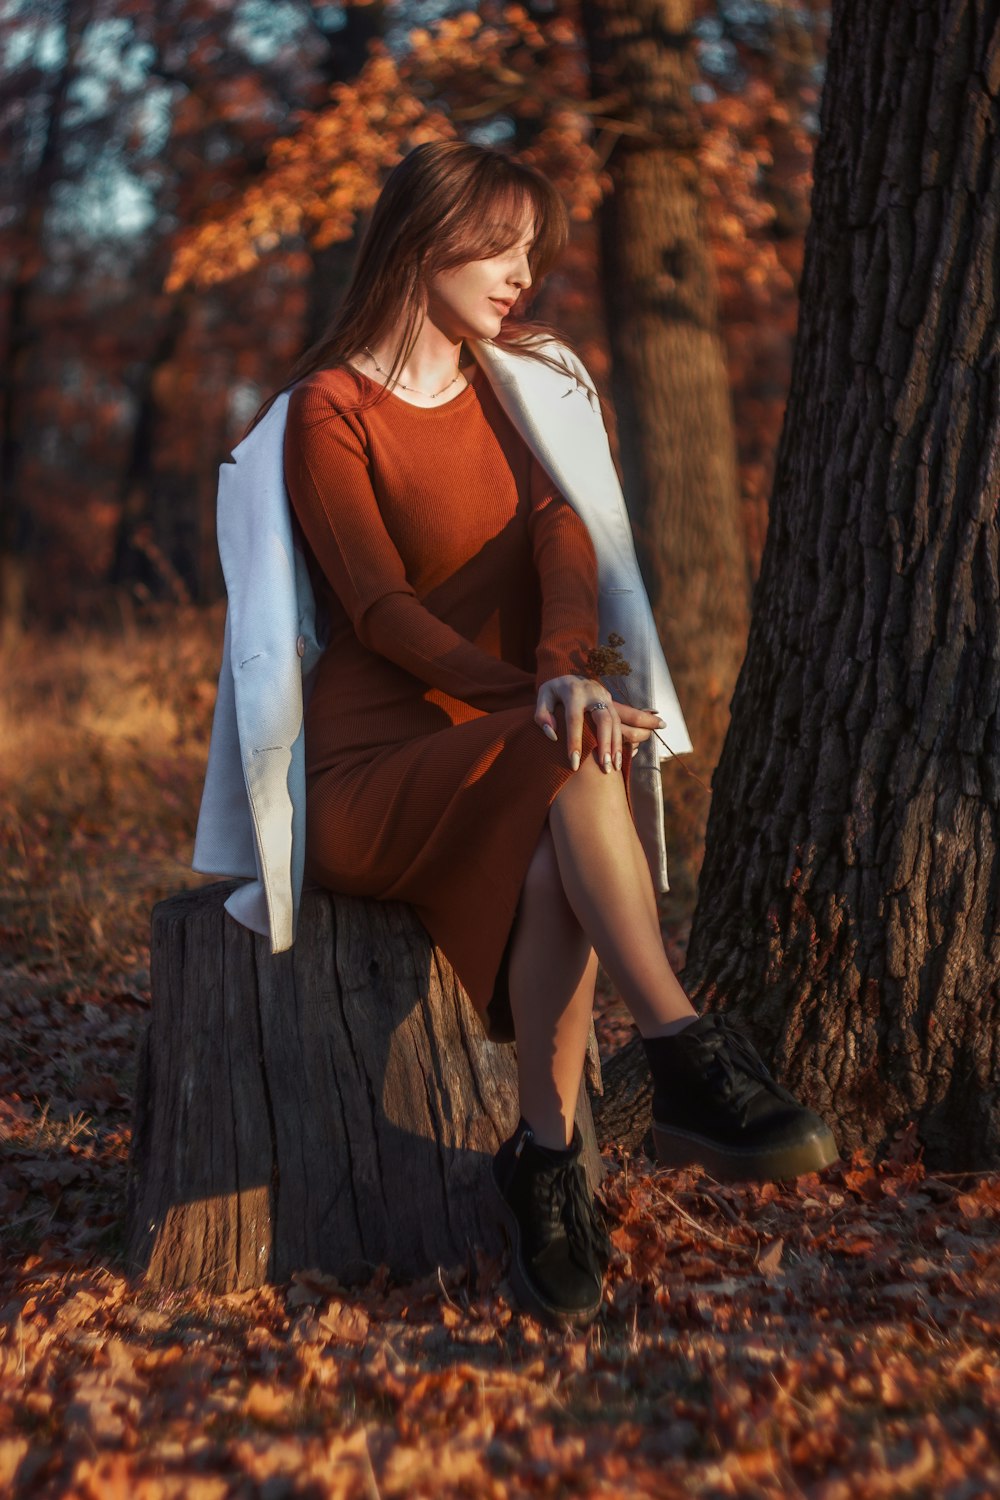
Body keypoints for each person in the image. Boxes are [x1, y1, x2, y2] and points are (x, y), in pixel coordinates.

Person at [267, 140, 837, 1329]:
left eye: (534, 248)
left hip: (508, 741)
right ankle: (683, 1052)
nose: (522, 271)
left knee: (556, 844)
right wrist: (529, 695)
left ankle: (545, 1164)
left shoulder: (516, 384)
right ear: (421, 241)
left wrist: (561, 675)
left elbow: (562, 539)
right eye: (499, 244)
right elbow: (380, 612)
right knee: (565, 753)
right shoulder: (330, 409)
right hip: (366, 772)